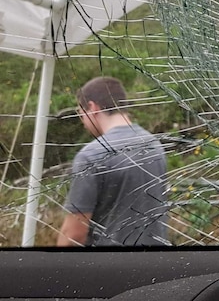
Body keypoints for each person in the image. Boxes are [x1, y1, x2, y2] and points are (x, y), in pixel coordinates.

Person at [57, 77, 169, 246]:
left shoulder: (91, 156)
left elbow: (74, 234)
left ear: (93, 108)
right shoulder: (154, 145)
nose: (84, 124)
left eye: (81, 115)